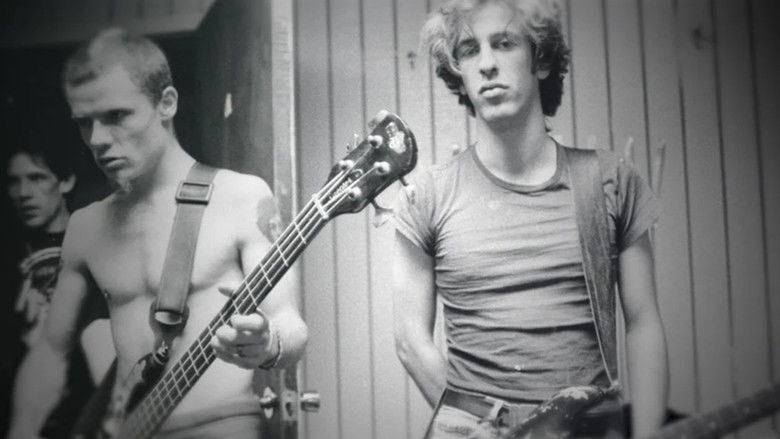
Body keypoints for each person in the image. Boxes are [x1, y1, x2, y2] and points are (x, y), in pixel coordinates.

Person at [9, 28, 308, 439]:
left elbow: (292, 326)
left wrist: (268, 343)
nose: (97, 140)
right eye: (84, 123)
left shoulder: (241, 196)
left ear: (166, 103)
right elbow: (50, 353)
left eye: (116, 116)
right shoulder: (86, 226)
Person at [392, 1, 668, 438]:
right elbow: (410, 341)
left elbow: (644, 322)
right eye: (468, 50)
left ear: (539, 59)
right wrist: (481, 427)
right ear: (457, 71)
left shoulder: (609, 180)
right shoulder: (427, 196)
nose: (486, 64)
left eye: (504, 43)